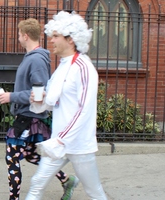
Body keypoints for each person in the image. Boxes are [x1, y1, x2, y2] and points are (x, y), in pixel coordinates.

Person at [25, 11, 108, 200]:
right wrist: (40, 100)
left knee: (94, 193)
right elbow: (55, 101)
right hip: (59, 143)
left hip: (78, 145)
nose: (51, 40)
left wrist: (62, 138)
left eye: (55, 36)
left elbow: (84, 109)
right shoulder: (63, 65)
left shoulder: (84, 67)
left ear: (71, 39)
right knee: (37, 183)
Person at [0, 18, 78, 200]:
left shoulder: (37, 60)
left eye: (19, 34)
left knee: (12, 157)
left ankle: (14, 198)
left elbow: (40, 94)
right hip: (28, 116)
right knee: (32, 155)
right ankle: (66, 180)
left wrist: (11, 96)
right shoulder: (34, 58)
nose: (18, 38)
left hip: (28, 117)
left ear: (25, 36)